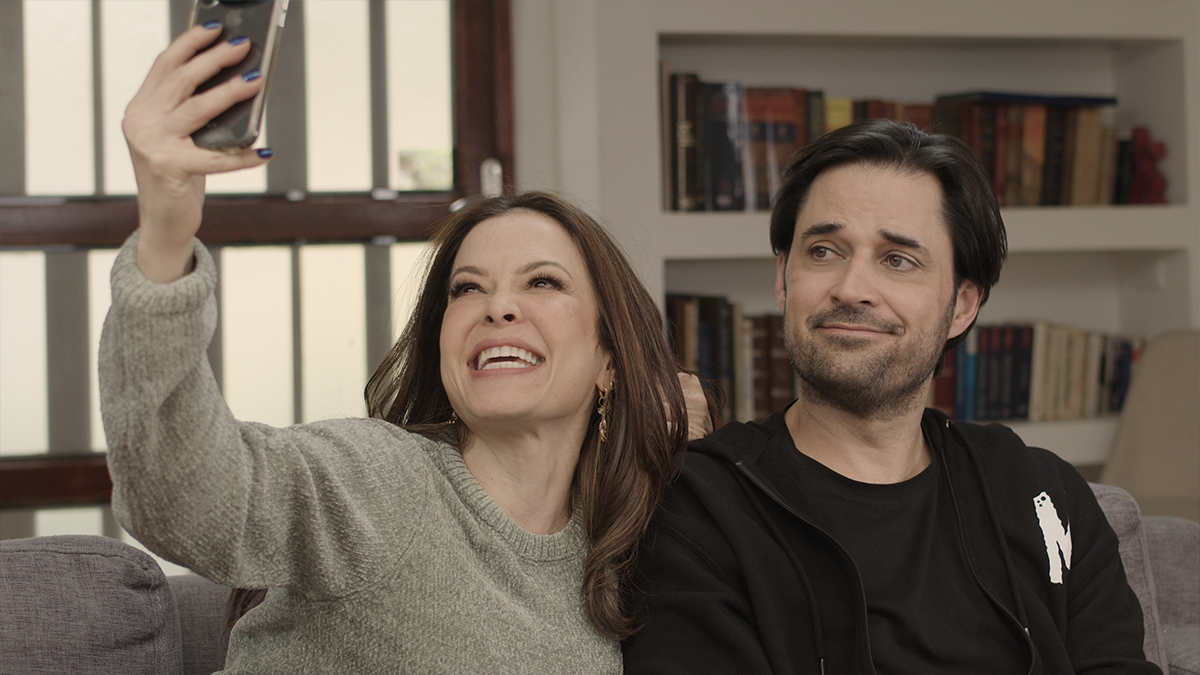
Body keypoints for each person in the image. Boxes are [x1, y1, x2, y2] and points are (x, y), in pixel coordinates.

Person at [104, 23, 703, 673]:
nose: (498, 306)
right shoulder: (386, 483)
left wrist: (680, 444)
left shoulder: (620, 552)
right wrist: (165, 230)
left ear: (610, 358)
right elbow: (183, 495)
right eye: (467, 288)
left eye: (542, 282)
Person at [621, 119, 1161, 674]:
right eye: (824, 251)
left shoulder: (1040, 493)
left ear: (962, 305)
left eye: (897, 259)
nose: (851, 289)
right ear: (783, 279)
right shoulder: (700, 506)